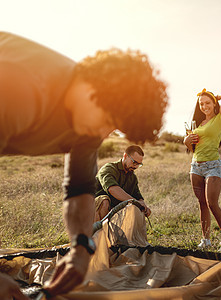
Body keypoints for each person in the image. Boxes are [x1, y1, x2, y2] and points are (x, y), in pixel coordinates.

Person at [0, 31, 167, 298]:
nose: (103, 133)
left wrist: (81, 247)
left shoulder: (88, 126)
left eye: (113, 128)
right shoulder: (23, 89)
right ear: (92, 86)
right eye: (106, 120)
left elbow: (78, 191)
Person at [183, 89, 221, 252]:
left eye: (207, 103)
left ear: (213, 104)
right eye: (201, 104)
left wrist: (216, 97)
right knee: (202, 204)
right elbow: (193, 148)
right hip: (195, 166)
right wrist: (186, 141)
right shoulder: (197, 124)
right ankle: (205, 240)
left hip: (213, 166)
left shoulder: (220, 119)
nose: (204, 106)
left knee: (212, 203)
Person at [94, 145, 151, 222]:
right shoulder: (108, 168)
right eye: (134, 162)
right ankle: (103, 232)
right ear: (125, 156)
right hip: (92, 208)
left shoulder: (132, 177)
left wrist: (144, 207)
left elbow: (138, 197)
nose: (135, 166)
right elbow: (113, 189)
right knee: (104, 201)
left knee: (136, 208)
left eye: (139, 164)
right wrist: (134, 201)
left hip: (113, 211)